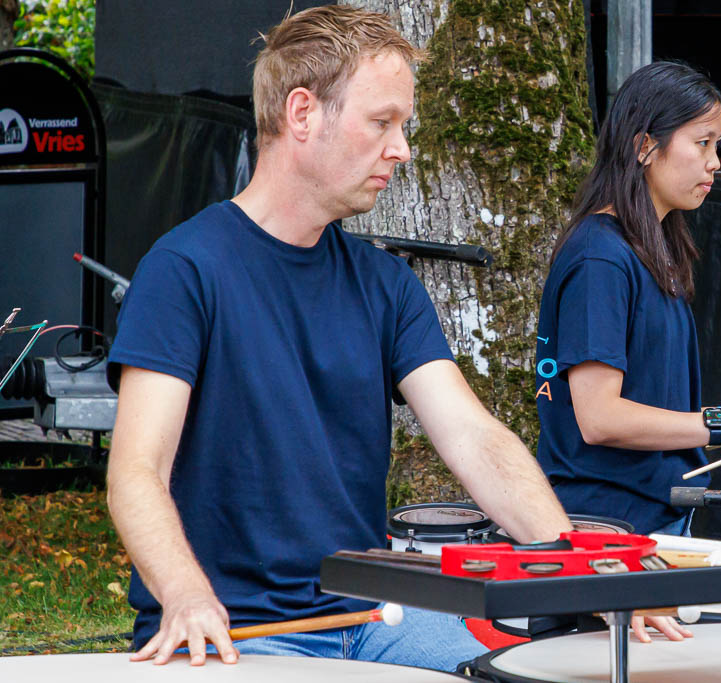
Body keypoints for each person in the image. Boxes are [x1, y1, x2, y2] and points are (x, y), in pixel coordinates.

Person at [105, 5, 572, 672]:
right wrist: (186, 595)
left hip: (375, 619)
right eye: (382, 122)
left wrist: (584, 576)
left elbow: (474, 438)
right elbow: (135, 471)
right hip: (237, 631)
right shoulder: (183, 271)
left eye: (403, 126)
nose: (401, 148)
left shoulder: (387, 284)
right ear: (302, 114)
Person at [534, 62, 721, 549]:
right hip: (605, 527)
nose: (715, 162)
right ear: (645, 146)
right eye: (702, 143)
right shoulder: (600, 258)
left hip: (649, 518)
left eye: (717, 145)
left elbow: (646, 401)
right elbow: (599, 418)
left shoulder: (649, 247)